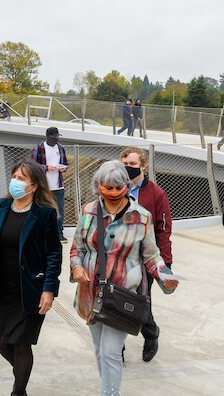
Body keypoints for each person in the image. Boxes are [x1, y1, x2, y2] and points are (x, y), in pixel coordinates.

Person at [70, 161, 178, 396]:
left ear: (126, 187)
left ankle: (110, 394)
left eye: (116, 187)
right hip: (91, 292)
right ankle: (107, 390)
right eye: (106, 187)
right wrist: (77, 268)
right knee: (100, 350)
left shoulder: (141, 217)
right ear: (98, 186)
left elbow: (152, 256)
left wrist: (165, 277)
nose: (111, 192)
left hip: (123, 296)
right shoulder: (89, 211)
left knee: (110, 351)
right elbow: (76, 249)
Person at [0, 160, 61, 396]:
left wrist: (49, 289)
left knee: (22, 343)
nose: (15, 181)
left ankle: (18, 391)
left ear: (34, 186)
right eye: (14, 176)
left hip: (31, 287)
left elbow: (54, 252)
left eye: (21, 178)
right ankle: (22, 372)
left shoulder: (44, 214)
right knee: (0, 341)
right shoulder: (1, 206)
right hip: (5, 286)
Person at [120, 147, 173, 362]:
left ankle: (151, 333)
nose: (128, 168)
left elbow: (163, 229)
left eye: (132, 164)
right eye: (124, 164)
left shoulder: (156, 193)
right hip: (117, 256)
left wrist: (165, 263)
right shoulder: (115, 188)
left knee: (140, 302)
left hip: (144, 259)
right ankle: (117, 347)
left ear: (143, 166)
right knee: (113, 301)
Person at [30, 127, 69, 244]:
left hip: (58, 186)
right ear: (47, 137)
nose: (56, 139)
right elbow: (32, 165)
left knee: (59, 211)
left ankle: (59, 234)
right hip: (43, 186)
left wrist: (63, 168)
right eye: (54, 137)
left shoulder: (60, 148)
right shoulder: (39, 148)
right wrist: (46, 168)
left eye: (57, 137)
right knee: (42, 209)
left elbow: (66, 163)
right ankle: (41, 233)